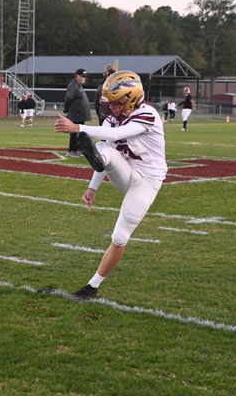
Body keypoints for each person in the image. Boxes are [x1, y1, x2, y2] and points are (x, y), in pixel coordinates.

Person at [52, 70, 167, 300]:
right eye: (110, 103)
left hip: (147, 180)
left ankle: (92, 286)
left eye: (116, 103)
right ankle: (99, 159)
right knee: (104, 149)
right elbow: (110, 138)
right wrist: (92, 188)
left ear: (131, 98)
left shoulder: (147, 114)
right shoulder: (113, 118)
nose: (112, 109)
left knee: (120, 237)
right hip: (126, 172)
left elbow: (119, 133)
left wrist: (79, 128)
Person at [64, 68, 91, 157]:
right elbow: (69, 98)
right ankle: (72, 150)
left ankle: (77, 149)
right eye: (83, 76)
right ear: (77, 76)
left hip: (79, 114)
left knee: (79, 133)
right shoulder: (73, 86)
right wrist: (66, 109)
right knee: (74, 133)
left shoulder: (78, 85)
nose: (84, 78)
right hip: (75, 114)